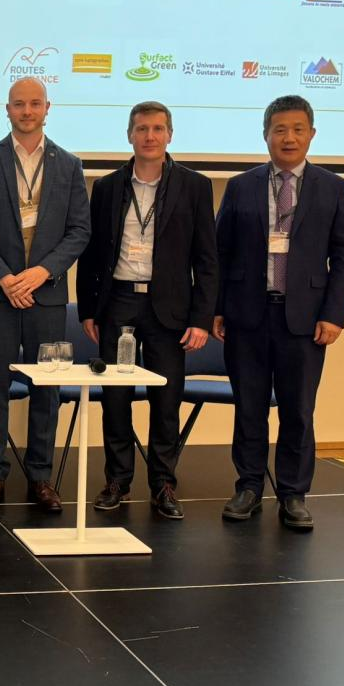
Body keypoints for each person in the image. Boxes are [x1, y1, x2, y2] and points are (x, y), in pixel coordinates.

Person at [214, 94, 344, 529]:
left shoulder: (334, 188)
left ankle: (294, 494)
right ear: (266, 135)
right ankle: (248, 487)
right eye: (280, 130)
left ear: (311, 134)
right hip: (247, 315)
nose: (288, 138)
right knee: (249, 407)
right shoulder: (241, 186)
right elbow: (220, 252)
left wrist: (334, 314)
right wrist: (216, 309)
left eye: (297, 129)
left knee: (298, 410)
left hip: (305, 319)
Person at [77, 101, 218, 519]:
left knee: (166, 399)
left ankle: (164, 485)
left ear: (170, 135)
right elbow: (91, 254)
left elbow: (207, 259)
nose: (150, 136)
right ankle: (117, 481)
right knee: (115, 399)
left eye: (158, 129)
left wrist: (201, 319)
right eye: (141, 129)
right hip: (118, 302)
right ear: (129, 135)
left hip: (169, 309)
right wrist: (88, 309)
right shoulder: (107, 187)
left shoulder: (195, 186)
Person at [0, 78, 90, 509]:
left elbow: (79, 231)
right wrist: (5, 278)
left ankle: (40, 476)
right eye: (19, 104)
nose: (27, 111)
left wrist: (39, 273)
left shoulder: (69, 165)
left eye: (35, 103)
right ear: (8, 109)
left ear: (47, 108)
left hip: (46, 293)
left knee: (46, 387)